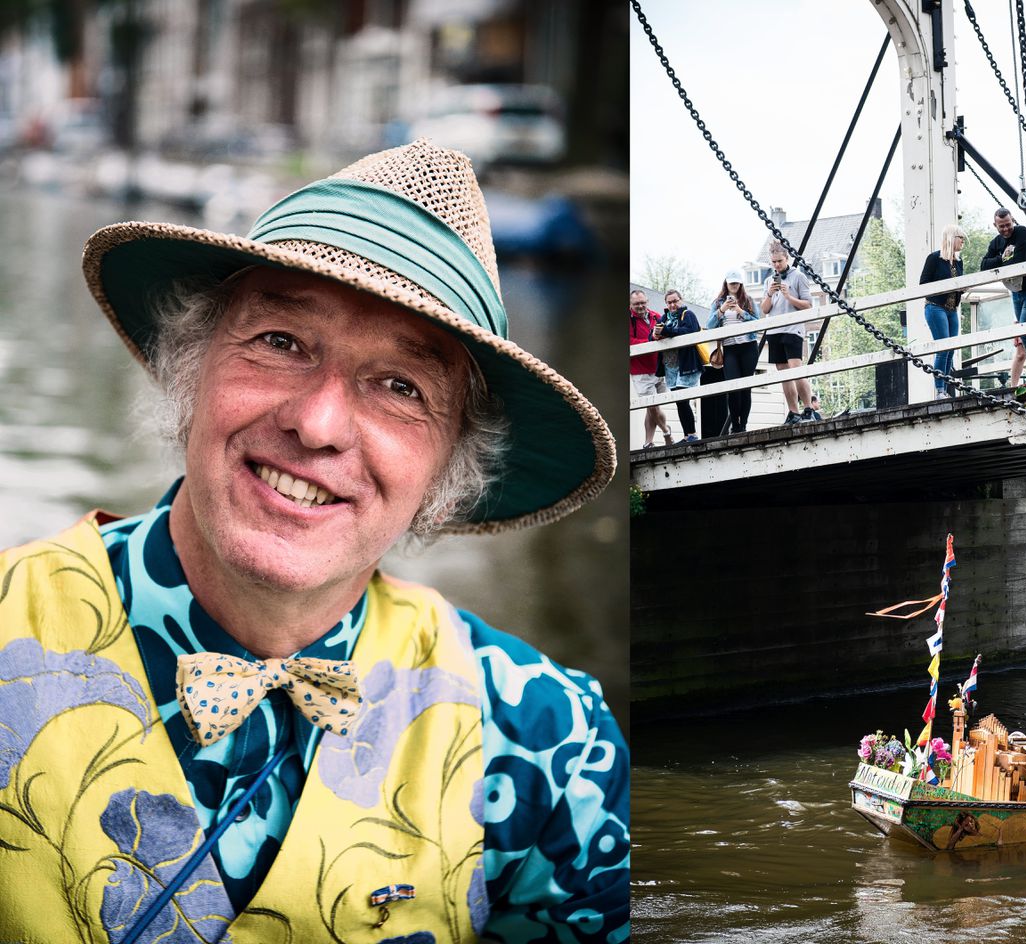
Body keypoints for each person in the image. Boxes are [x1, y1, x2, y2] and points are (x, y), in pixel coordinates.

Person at [0, 139, 628, 944]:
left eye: (402, 387)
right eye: (280, 342)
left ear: (448, 471)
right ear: (192, 369)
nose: (319, 424)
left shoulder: (550, 744)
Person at [980, 208, 1026, 389]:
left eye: (1008, 225)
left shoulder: (1022, 232)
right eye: (1001, 226)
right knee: (1024, 332)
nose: (1006, 229)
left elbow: (1020, 260)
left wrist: (999, 261)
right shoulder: (996, 242)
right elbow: (984, 265)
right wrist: (1002, 258)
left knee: (1025, 330)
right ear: (995, 225)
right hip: (1015, 291)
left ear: (1012, 220)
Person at [760, 241, 818, 424]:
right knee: (783, 372)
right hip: (775, 330)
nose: (777, 265)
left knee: (796, 369)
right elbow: (765, 309)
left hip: (793, 329)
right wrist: (770, 293)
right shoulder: (769, 280)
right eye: (774, 262)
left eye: (779, 261)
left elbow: (808, 305)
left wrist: (788, 296)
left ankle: (808, 408)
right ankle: (794, 411)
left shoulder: (798, 277)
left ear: (787, 259)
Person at [707, 268, 761, 433]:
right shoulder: (717, 303)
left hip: (748, 346)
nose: (734, 286)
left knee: (746, 387)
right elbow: (709, 325)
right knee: (733, 388)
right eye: (731, 283)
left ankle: (742, 425)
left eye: (737, 283)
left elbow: (757, 322)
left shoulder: (748, 300)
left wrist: (740, 311)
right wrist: (722, 309)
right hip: (730, 348)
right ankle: (735, 424)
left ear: (741, 284)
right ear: (726, 283)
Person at [919, 224, 966, 400]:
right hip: (935, 307)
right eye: (960, 237)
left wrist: (961, 288)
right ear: (951, 238)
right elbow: (923, 283)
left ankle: (944, 389)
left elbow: (957, 286)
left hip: (952, 309)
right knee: (942, 348)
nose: (963, 241)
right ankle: (939, 390)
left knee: (951, 350)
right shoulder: (934, 259)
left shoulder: (958, 262)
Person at [656, 288, 703, 442]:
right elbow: (653, 334)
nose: (672, 304)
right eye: (669, 302)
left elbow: (690, 330)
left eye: (675, 301)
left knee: (683, 399)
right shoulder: (664, 317)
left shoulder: (688, 314)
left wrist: (667, 331)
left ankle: (692, 435)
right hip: (671, 367)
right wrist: (656, 334)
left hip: (686, 364)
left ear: (681, 300)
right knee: (679, 401)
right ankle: (687, 435)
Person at [631, 287, 674, 447]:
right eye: (636, 304)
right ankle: (666, 431)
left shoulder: (657, 316)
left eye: (642, 303)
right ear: (630, 304)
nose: (640, 306)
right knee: (652, 405)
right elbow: (629, 341)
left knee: (652, 408)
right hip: (640, 371)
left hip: (659, 367)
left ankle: (648, 442)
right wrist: (650, 342)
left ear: (647, 302)